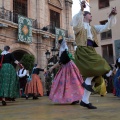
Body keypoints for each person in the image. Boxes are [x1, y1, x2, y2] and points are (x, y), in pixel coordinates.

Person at [71, 1, 117, 109]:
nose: (91, 15)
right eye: (89, 14)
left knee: (93, 74)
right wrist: (81, 10)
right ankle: (107, 74)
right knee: (101, 64)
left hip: (90, 51)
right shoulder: (80, 26)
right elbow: (76, 23)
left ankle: (85, 100)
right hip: (83, 50)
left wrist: (112, 15)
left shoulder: (93, 28)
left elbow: (106, 27)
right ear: (85, 16)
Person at [48, 36, 84, 104]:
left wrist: (52, 67)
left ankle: (74, 98)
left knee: (69, 83)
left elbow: (60, 62)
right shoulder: (64, 51)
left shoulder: (64, 51)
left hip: (68, 68)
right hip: (67, 68)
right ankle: (73, 98)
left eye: (58, 44)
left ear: (60, 44)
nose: (57, 46)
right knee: (70, 83)